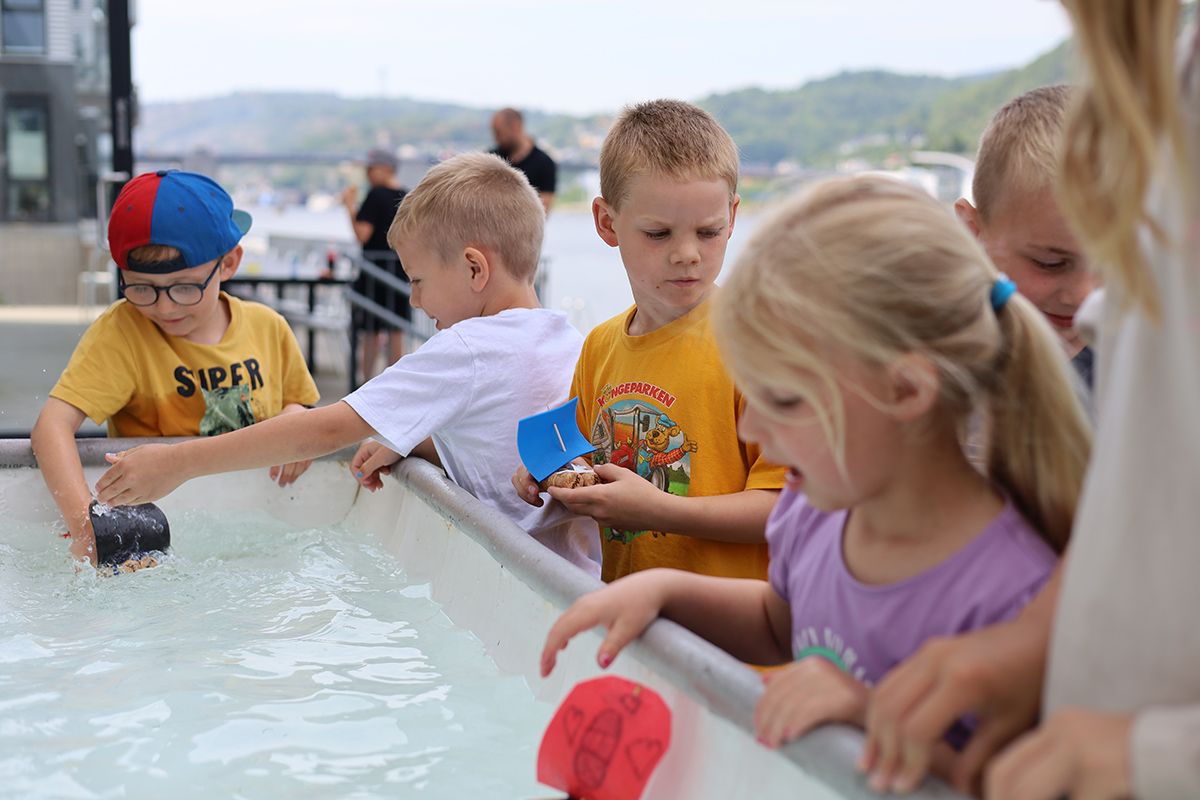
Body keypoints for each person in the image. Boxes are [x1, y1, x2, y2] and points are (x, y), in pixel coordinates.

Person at [539, 175, 1091, 754]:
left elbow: (1015, 778)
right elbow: (781, 623)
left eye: (783, 401)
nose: (752, 430)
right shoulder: (814, 514)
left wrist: (866, 714)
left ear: (905, 390)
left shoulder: (1017, 594)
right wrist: (663, 591)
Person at [860, 3, 1200, 797]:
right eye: (1053, 260)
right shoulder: (1169, 89)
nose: (1084, 303)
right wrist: (1037, 644)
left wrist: (1152, 755)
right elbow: (1148, 472)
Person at [94, 153, 601, 576]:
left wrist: (178, 463)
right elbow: (502, 434)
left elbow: (323, 430)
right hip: (576, 576)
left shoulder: (467, 346)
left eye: (418, 279)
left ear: (473, 268)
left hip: (508, 583)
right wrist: (409, 439)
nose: (414, 299)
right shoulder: (569, 339)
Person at [512, 99, 785, 583]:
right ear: (607, 223)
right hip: (630, 625)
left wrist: (659, 510)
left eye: (708, 231)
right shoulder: (599, 346)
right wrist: (547, 474)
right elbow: (583, 459)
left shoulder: (762, 348)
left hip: (729, 649)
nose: (686, 254)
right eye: (658, 234)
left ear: (733, 215)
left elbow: (785, 512)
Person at [30, 170, 319, 566]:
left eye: (185, 287)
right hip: (159, 532)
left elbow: (298, 405)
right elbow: (51, 427)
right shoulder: (123, 331)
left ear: (230, 263)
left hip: (256, 523)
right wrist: (88, 526)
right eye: (141, 288)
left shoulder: (269, 328)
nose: (164, 307)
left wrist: (294, 422)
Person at [954, 85, 1099, 391]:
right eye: (1051, 263)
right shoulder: (944, 376)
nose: (1085, 295)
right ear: (971, 233)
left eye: (1115, 265)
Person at [341, 148, 409, 383]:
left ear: (384, 168)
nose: (367, 174)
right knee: (396, 330)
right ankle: (396, 384)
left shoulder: (376, 195)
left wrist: (350, 206)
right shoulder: (408, 196)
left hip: (374, 274)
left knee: (370, 332)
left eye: (371, 169)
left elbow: (362, 234)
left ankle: (365, 384)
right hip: (401, 271)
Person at [491, 107, 557, 213]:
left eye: (499, 132)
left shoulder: (545, 163)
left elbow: (543, 210)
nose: (496, 138)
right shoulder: (491, 159)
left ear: (515, 127)